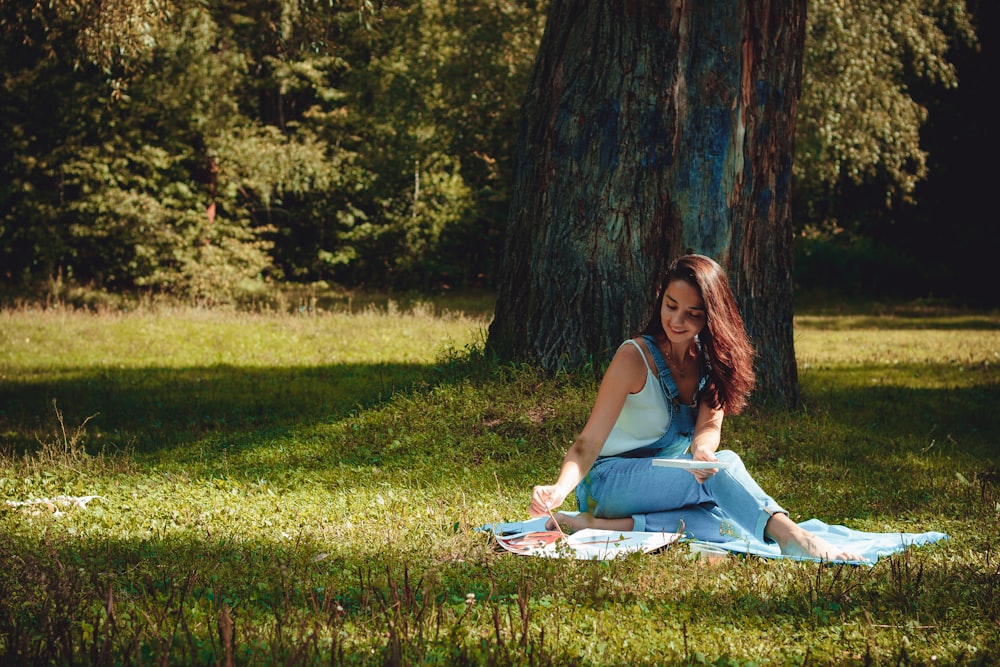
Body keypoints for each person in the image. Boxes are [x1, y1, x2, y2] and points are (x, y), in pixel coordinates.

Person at [529, 254, 861, 561]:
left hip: (668, 480)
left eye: (693, 314)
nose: (676, 320)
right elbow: (588, 443)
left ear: (711, 317)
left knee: (726, 523)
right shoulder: (633, 358)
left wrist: (702, 452)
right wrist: (559, 488)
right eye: (671, 306)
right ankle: (794, 538)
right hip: (609, 484)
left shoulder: (712, 360)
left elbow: (708, 427)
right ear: (661, 296)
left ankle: (598, 526)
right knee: (726, 467)